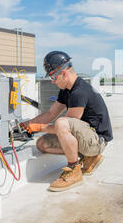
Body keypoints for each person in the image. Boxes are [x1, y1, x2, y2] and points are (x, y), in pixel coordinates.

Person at [22, 51, 113, 192]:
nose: (52, 81)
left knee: (62, 123)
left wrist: (39, 127)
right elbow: (51, 113)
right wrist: (26, 125)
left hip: (96, 141)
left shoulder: (79, 92)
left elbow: (65, 126)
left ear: (63, 73)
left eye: (53, 76)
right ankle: (90, 159)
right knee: (42, 144)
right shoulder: (66, 90)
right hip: (86, 137)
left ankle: (74, 169)